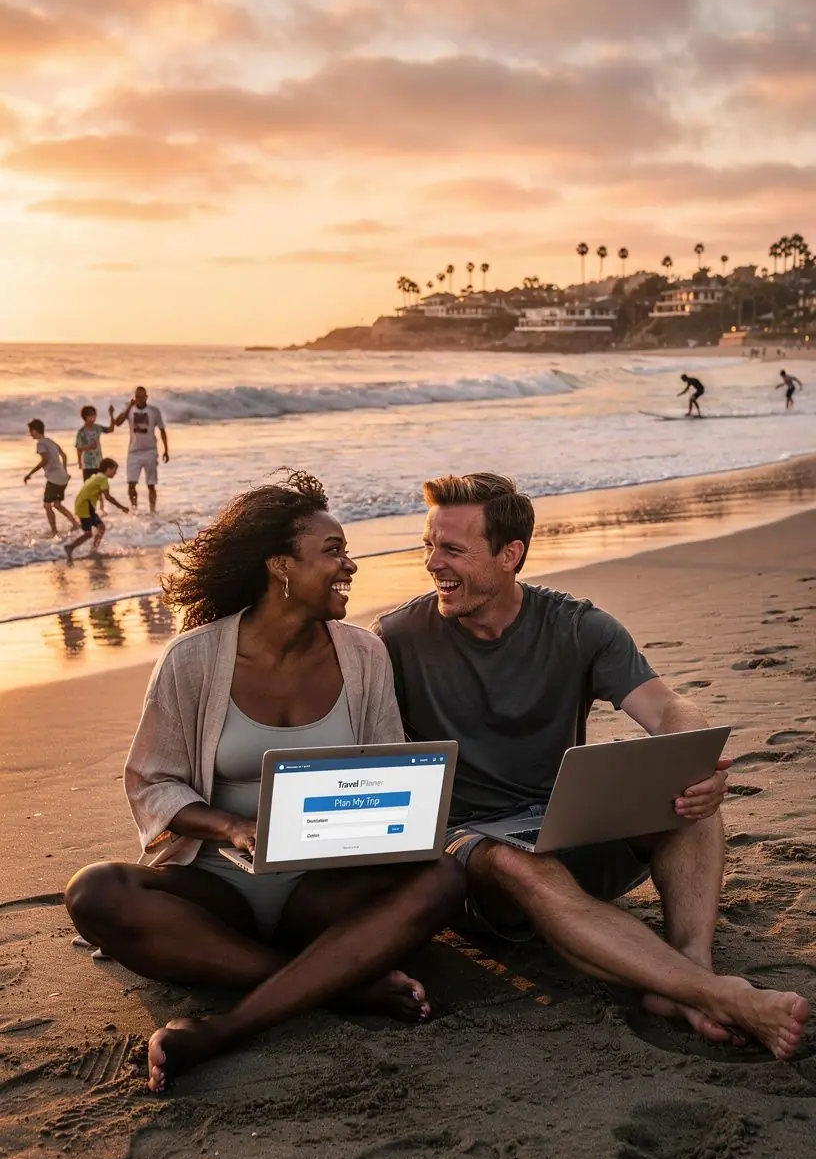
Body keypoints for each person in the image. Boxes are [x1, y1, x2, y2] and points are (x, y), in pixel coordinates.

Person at [374, 472, 811, 1060]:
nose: (432, 563)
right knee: (520, 862)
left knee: (690, 799)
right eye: (429, 545)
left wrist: (696, 762)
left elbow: (668, 708)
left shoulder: (577, 626)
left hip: (562, 826)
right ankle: (715, 995)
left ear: (511, 555)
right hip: (477, 859)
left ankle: (689, 975)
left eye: (452, 548)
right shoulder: (396, 638)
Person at [64, 472, 464, 1093]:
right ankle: (337, 980)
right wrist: (231, 825)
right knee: (94, 890)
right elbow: (152, 783)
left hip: (323, 890)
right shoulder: (194, 659)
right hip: (218, 890)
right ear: (280, 565)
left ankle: (225, 1028)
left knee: (442, 874)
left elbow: (392, 766)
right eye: (332, 552)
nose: (349, 565)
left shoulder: (363, 654)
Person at [113, 386, 169, 511]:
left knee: (151, 484)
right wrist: (129, 407)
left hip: (150, 450)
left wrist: (166, 450)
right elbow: (117, 423)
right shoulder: (129, 409)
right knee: (131, 483)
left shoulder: (154, 411)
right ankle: (134, 509)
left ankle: (152, 510)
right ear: (134, 397)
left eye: (142, 396)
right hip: (134, 452)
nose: (139, 399)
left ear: (146, 397)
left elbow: (162, 430)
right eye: (137, 396)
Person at [64, 458, 129, 563]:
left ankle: (93, 550)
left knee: (101, 528)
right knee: (88, 533)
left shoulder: (96, 476)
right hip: (85, 506)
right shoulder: (103, 479)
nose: (115, 473)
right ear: (108, 469)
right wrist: (122, 507)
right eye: (114, 470)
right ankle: (70, 547)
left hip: (85, 505)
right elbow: (108, 497)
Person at [23, 420, 78, 536]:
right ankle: (75, 523)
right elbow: (64, 455)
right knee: (57, 504)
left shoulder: (40, 444)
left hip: (54, 479)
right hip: (63, 478)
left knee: (47, 505)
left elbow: (45, 460)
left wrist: (30, 473)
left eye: (31, 431)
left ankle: (54, 531)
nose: (30, 434)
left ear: (35, 431)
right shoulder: (50, 441)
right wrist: (65, 471)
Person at [76, 404, 116, 483]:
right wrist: (79, 462)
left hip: (99, 463)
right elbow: (79, 448)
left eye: (94, 415)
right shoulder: (81, 432)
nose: (93, 418)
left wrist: (111, 414)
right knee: (88, 486)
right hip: (87, 464)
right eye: (91, 416)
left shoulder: (97, 428)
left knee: (100, 487)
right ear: (85, 417)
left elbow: (111, 429)